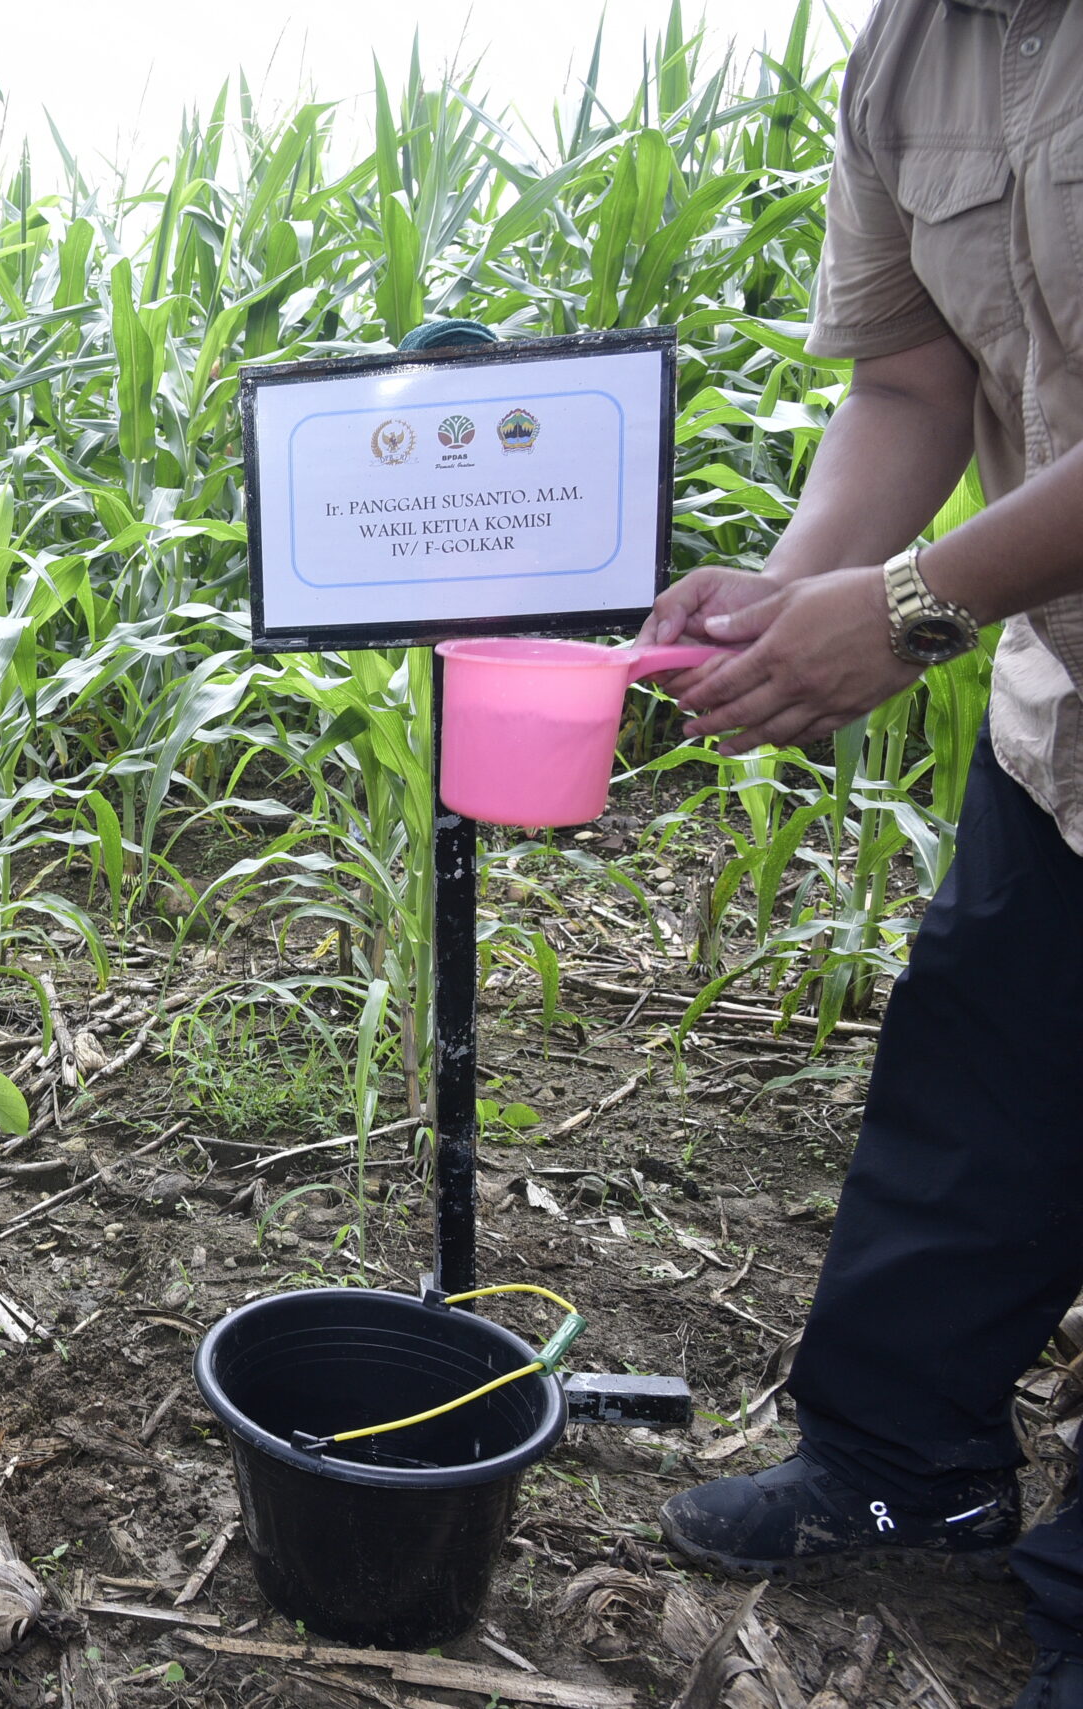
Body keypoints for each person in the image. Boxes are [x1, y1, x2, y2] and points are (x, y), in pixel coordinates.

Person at [636, 6, 1083, 1705]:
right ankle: (911, 1461)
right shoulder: (915, 50)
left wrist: (907, 605)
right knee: (988, 1073)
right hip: (1068, 697)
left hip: (1003, 619)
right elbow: (913, 377)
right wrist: (790, 582)